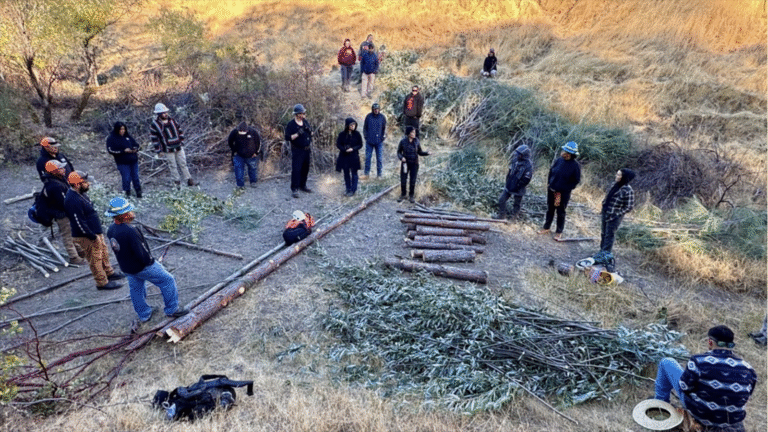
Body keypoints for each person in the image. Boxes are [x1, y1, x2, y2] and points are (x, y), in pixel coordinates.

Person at [105, 197, 188, 331]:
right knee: (168, 280)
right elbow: (141, 252)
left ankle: (144, 314)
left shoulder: (111, 229)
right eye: (129, 211)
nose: (132, 213)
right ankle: (172, 309)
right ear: (122, 215)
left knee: (136, 289)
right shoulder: (131, 231)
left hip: (126, 267)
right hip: (141, 266)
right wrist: (151, 262)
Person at [654, 325, 757, 431]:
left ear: (710, 342)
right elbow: (747, 396)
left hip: (701, 415)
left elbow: (684, 387)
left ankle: (660, 407)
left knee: (667, 362)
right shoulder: (749, 369)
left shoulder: (698, 361)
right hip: (731, 420)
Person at [63, 171, 124, 290]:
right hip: (87, 235)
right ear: (77, 184)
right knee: (95, 259)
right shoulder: (72, 200)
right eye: (85, 182)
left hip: (95, 231)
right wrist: (91, 236)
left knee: (103, 253)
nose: (89, 184)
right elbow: (78, 222)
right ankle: (102, 282)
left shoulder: (81, 193)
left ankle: (109, 273)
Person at [41, 160, 86, 265]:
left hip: (65, 212)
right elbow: (64, 202)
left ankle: (80, 252)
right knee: (67, 235)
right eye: (60, 168)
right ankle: (74, 257)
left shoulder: (58, 180)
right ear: (54, 171)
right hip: (62, 215)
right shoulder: (55, 185)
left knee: (73, 233)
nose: (64, 169)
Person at [539, 141, 581, 240]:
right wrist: (549, 183)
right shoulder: (559, 160)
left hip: (561, 194)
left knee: (560, 211)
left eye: (565, 151)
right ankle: (546, 227)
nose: (562, 152)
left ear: (569, 154)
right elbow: (551, 171)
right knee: (550, 209)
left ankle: (559, 231)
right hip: (551, 190)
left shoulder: (575, 166)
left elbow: (575, 181)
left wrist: (563, 189)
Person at [150, 103, 198, 187]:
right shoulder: (155, 124)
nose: (165, 114)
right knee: (172, 165)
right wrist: (159, 150)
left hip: (178, 146)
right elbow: (154, 139)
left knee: (183, 163)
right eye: (163, 112)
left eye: (166, 112)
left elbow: (180, 130)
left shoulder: (172, 120)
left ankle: (189, 180)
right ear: (158, 114)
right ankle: (177, 182)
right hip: (167, 148)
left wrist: (181, 141)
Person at [599, 168, 635, 253]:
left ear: (624, 177)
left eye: (619, 175)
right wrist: (604, 204)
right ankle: (601, 251)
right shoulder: (614, 184)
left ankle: (605, 254)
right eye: (617, 174)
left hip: (614, 217)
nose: (616, 176)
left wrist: (616, 214)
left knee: (609, 235)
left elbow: (629, 207)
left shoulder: (628, 190)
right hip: (606, 212)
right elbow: (608, 196)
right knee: (603, 233)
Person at [496, 144, 533, 219]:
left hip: (519, 187)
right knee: (501, 200)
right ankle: (501, 215)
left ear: (524, 155)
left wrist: (518, 185)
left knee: (516, 204)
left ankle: (513, 219)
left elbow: (527, 179)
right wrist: (508, 182)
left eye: (519, 154)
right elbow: (510, 171)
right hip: (509, 184)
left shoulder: (528, 165)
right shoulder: (515, 160)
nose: (517, 155)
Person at [106, 122, 142, 198]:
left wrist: (135, 149)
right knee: (126, 178)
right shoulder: (112, 138)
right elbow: (110, 150)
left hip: (133, 160)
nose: (122, 131)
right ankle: (127, 193)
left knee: (135, 177)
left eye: (124, 129)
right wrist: (123, 151)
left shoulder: (128, 136)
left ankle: (138, 191)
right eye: (121, 129)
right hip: (122, 162)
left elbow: (136, 145)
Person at [285, 104, 312, 198]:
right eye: (302, 113)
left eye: (303, 113)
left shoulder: (305, 122)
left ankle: (302, 185)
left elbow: (311, 133)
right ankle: (295, 189)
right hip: (297, 150)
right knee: (296, 169)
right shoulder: (291, 124)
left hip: (307, 150)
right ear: (297, 114)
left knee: (306, 168)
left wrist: (309, 131)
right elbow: (288, 137)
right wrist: (297, 134)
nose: (303, 115)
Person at [397, 126, 429, 203]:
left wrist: (427, 153)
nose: (414, 134)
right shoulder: (402, 141)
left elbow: (420, 152)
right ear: (408, 133)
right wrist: (401, 158)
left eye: (414, 132)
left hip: (414, 163)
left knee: (413, 180)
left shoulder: (417, 141)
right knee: (403, 179)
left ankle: (411, 195)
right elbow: (398, 152)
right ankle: (403, 194)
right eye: (412, 132)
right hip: (405, 163)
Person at [227, 121, 262, 189]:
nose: (242, 134)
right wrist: (234, 150)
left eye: (243, 132)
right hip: (238, 155)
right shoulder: (234, 132)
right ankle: (240, 185)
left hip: (251, 156)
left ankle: (253, 182)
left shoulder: (253, 132)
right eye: (240, 132)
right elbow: (230, 141)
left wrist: (256, 153)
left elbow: (258, 143)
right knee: (238, 170)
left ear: (247, 130)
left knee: (253, 169)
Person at [335, 118, 363, 196]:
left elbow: (360, 144)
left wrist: (353, 148)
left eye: (354, 124)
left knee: (354, 173)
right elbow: (338, 144)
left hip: (354, 156)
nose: (353, 126)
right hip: (345, 156)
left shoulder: (357, 134)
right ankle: (348, 188)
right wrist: (344, 149)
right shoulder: (342, 134)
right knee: (346, 173)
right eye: (351, 125)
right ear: (347, 125)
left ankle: (353, 190)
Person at [362, 103, 387, 178]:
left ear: (379, 109)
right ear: (372, 109)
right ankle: (366, 174)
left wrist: (383, 137)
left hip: (378, 142)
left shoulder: (382, 117)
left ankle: (379, 175)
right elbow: (365, 128)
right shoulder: (368, 117)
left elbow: (384, 128)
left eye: (377, 109)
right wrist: (366, 137)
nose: (376, 110)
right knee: (368, 158)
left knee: (379, 159)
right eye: (374, 109)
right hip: (369, 142)